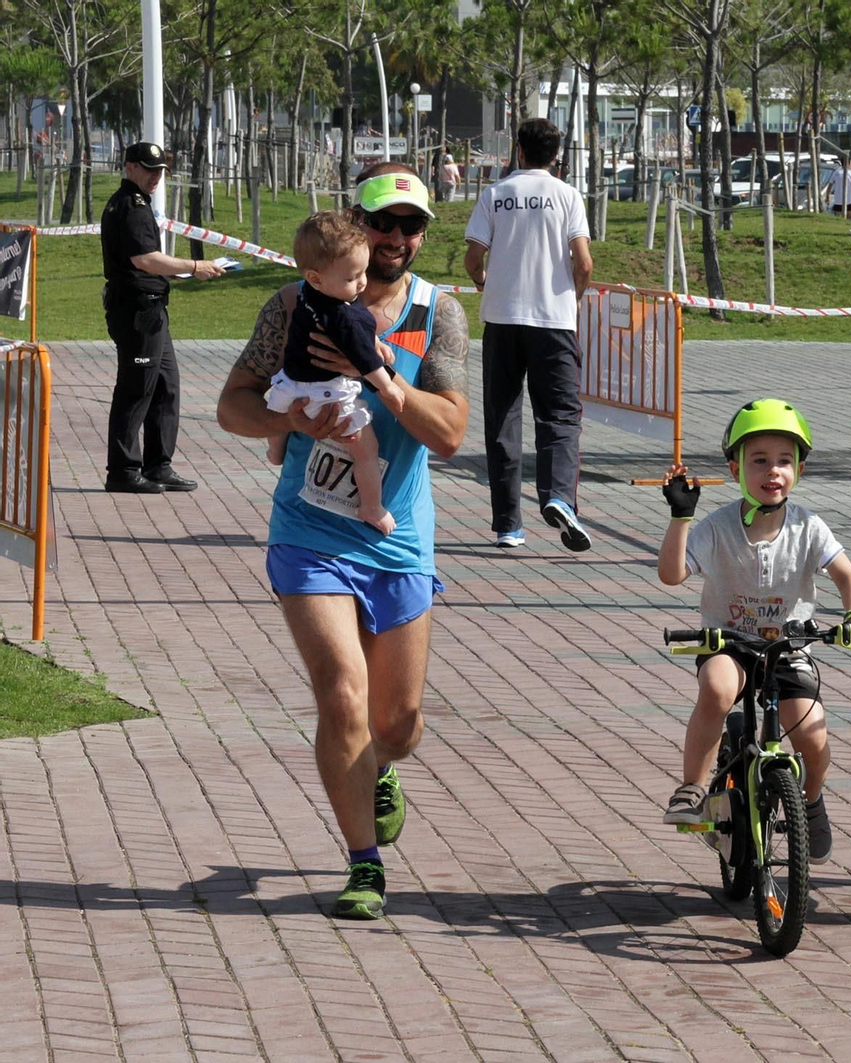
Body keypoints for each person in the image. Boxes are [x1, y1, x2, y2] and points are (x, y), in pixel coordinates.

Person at [216, 164, 470, 920]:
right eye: (382, 222)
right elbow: (232, 405)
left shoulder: (437, 313)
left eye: (410, 226)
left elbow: (450, 434)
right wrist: (287, 420)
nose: (395, 237)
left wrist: (386, 382)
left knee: (396, 723)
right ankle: (365, 864)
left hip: (397, 538)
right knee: (340, 692)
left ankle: (379, 768)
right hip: (309, 532)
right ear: (357, 224)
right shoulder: (292, 304)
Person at [656, 399, 851, 865]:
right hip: (729, 643)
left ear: (799, 470)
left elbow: (849, 579)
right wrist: (680, 518)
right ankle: (692, 788)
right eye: (758, 460)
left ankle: (810, 801)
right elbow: (672, 575)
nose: (772, 471)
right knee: (717, 690)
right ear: (735, 468)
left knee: (811, 736)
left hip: (789, 647)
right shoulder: (717, 527)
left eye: (784, 461)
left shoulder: (808, 526)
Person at [465, 118, 595, 552]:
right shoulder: (567, 195)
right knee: (559, 415)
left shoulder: (495, 194)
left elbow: (473, 257)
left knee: (502, 417)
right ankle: (558, 496)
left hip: (502, 320)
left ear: (518, 150)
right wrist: (573, 296)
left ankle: (508, 526)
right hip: (554, 321)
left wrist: (483, 281)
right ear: (556, 155)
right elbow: (584, 261)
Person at [263, 211, 408, 534]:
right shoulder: (342, 315)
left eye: (363, 272)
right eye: (352, 277)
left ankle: (275, 448)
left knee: (279, 415)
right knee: (366, 450)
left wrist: (374, 340)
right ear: (316, 277)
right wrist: (388, 387)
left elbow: (355, 330)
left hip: (289, 385)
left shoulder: (309, 293)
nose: (362, 282)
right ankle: (372, 507)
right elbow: (364, 360)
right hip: (325, 394)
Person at [101, 142, 227, 493]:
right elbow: (145, 260)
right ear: (129, 167)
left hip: (151, 310)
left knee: (165, 387)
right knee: (136, 389)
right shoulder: (131, 206)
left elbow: (147, 261)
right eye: (148, 168)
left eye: (160, 170)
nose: (156, 176)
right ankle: (123, 471)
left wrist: (181, 271)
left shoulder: (136, 203)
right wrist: (194, 266)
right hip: (137, 311)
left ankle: (158, 465)